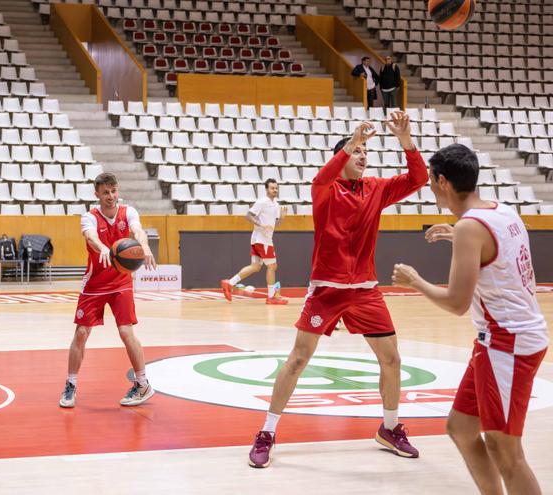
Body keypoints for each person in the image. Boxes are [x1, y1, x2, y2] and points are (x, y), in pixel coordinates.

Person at [248, 111, 428, 469]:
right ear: (343, 155)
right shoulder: (324, 189)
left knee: (392, 359)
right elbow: (322, 175)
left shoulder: (376, 188)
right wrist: (350, 142)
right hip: (327, 290)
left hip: (365, 290)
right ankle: (267, 432)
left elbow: (419, 178)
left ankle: (389, 428)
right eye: (357, 151)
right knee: (298, 359)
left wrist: (406, 141)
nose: (363, 156)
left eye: (366, 152)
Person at [392, 144, 547, 495]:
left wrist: (415, 281)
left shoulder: (469, 229)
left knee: (507, 452)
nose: (430, 186)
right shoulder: (501, 211)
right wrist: (458, 236)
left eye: (431, 180)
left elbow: (457, 303)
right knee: (461, 427)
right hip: (501, 340)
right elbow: (496, 252)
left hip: (509, 343)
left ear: (443, 182)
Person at [59, 173, 157, 409]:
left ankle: (143, 384)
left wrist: (144, 245)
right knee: (82, 333)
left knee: (126, 332)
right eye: (105, 192)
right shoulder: (89, 217)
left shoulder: (128, 212)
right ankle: (71, 384)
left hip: (121, 282)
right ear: (97, 194)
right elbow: (90, 236)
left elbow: (138, 230)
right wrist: (103, 247)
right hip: (94, 284)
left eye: (113, 191)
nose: (111, 196)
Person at [220, 178, 288, 305]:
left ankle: (230, 283)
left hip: (261, 239)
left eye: (276, 188)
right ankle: (271, 296)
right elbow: (248, 215)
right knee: (272, 266)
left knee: (255, 267)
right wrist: (261, 225)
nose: (275, 190)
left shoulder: (276, 205)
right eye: (272, 188)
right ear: (267, 189)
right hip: (262, 240)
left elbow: (275, 225)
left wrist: (282, 218)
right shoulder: (262, 202)